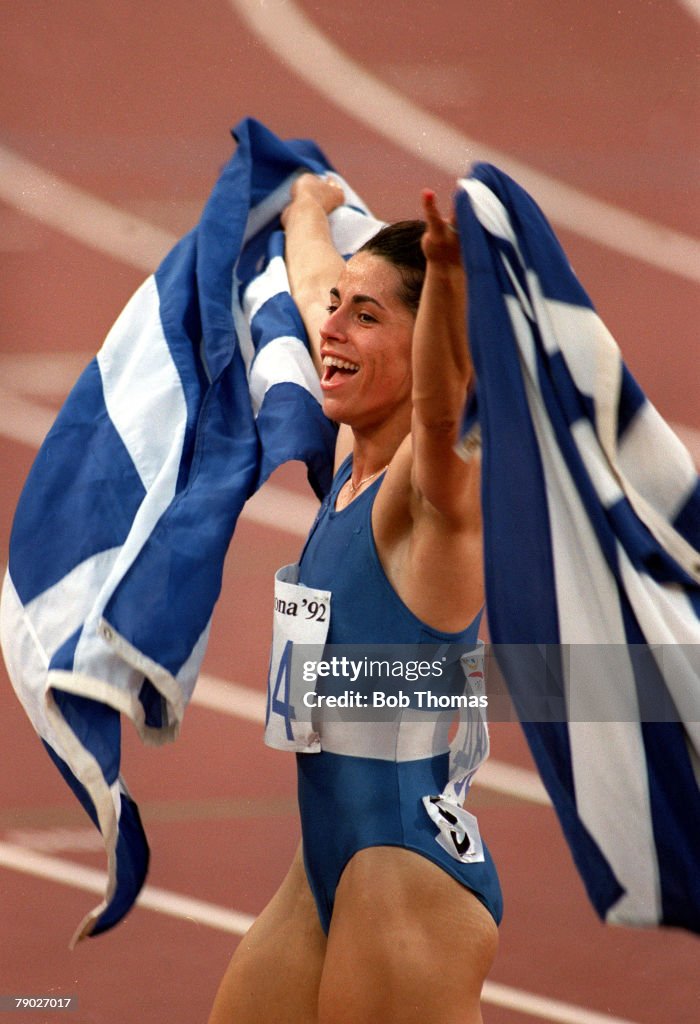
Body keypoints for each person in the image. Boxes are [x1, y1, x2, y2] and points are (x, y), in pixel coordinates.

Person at [208, 174, 501, 1024]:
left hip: (403, 881)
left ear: (432, 347)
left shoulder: (433, 493)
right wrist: (306, 207)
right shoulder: (354, 455)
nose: (329, 330)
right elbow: (313, 289)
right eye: (339, 306)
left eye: (366, 317)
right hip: (322, 869)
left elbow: (444, 417)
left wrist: (450, 284)